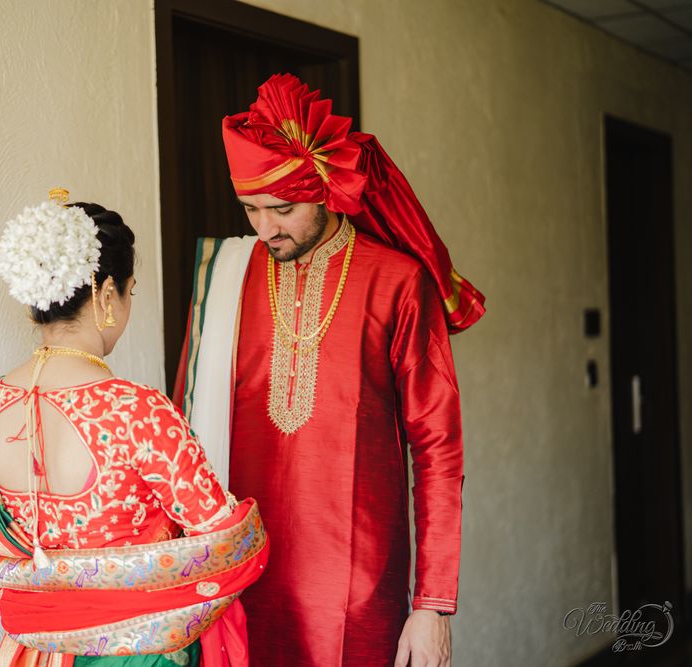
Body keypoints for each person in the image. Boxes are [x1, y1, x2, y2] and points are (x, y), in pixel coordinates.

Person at [172, 75, 486, 666]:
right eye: (251, 209)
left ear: (325, 191)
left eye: (283, 209)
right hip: (241, 580)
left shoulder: (397, 282)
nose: (265, 229)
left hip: (359, 585)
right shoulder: (228, 279)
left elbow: (439, 450)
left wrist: (433, 604)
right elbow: (183, 440)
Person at [0, 190, 269, 667]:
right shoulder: (135, 410)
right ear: (105, 295)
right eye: (130, 291)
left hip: (32, 653)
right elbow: (222, 540)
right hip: (135, 653)